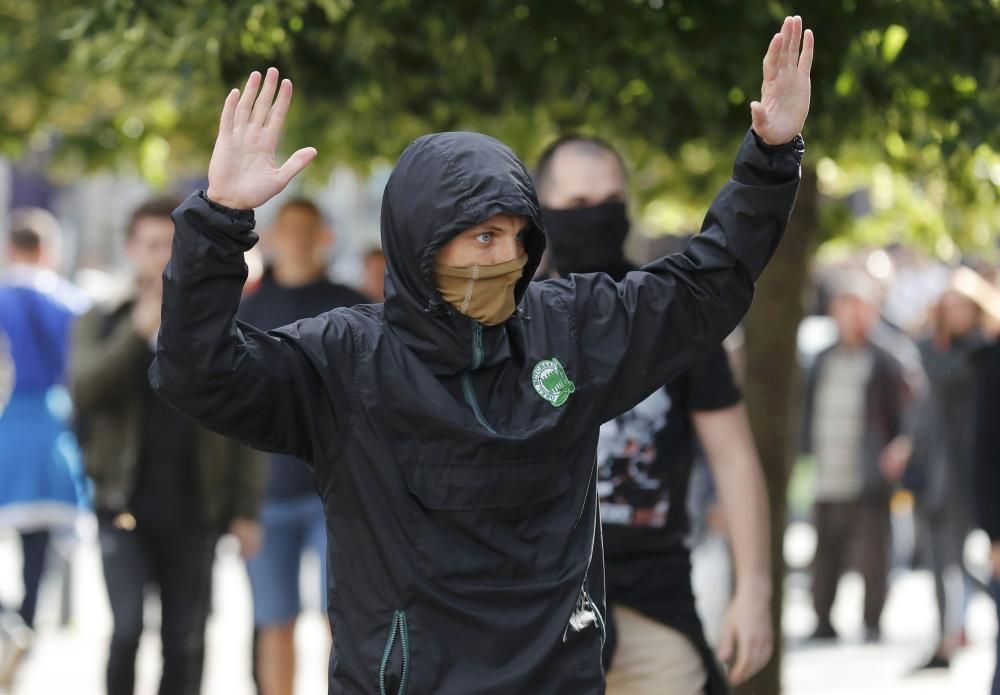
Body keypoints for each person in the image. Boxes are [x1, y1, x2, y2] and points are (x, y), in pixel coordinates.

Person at [151, 17, 812, 693]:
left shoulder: (570, 329)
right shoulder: (349, 361)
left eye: (519, 237)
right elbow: (199, 372)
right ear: (421, 241)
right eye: (483, 235)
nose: (506, 256)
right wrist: (220, 216)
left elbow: (704, 287)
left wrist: (771, 153)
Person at [535, 136, 772, 694]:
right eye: (576, 205)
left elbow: (734, 455)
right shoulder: (509, 325)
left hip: (654, 603)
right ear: (541, 212)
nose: (596, 216)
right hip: (536, 614)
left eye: (610, 200)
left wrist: (755, 589)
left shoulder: (671, 316)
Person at [69, 198, 263, 695]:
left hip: (195, 507)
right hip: (122, 503)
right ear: (131, 249)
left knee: (186, 639)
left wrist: (244, 510)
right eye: (152, 245)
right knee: (127, 629)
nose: (162, 257)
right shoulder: (103, 318)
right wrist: (135, 334)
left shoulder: (213, 323)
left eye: (171, 246)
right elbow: (84, 390)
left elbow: (246, 420)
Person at [238, 198, 368, 695]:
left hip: (337, 494)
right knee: (273, 621)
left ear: (325, 236)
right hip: (266, 494)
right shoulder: (249, 310)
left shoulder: (353, 305)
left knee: (342, 620)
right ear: (270, 237)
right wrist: (237, 505)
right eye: (285, 228)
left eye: (305, 228)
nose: (294, 238)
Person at [0, 209, 90, 688]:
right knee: (39, 550)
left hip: (5, 429)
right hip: (51, 432)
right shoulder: (72, 304)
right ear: (49, 251)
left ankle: (6, 622)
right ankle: (25, 628)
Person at [801, 272, 912, 643]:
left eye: (858, 309)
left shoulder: (888, 358)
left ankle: (872, 620)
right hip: (827, 470)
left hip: (868, 473)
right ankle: (822, 619)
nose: (851, 317)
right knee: (825, 553)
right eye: (845, 308)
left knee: (873, 554)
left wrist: (901, 446)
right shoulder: (821, 359)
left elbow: (910, 411)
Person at [904, 286, 984, 669]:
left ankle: (954, 632)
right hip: (934, 469)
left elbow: (949, 378)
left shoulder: (981, 353)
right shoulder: (929, 348)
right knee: (940, 559)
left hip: (971, 469)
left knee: (962, 560)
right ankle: (948, 634)